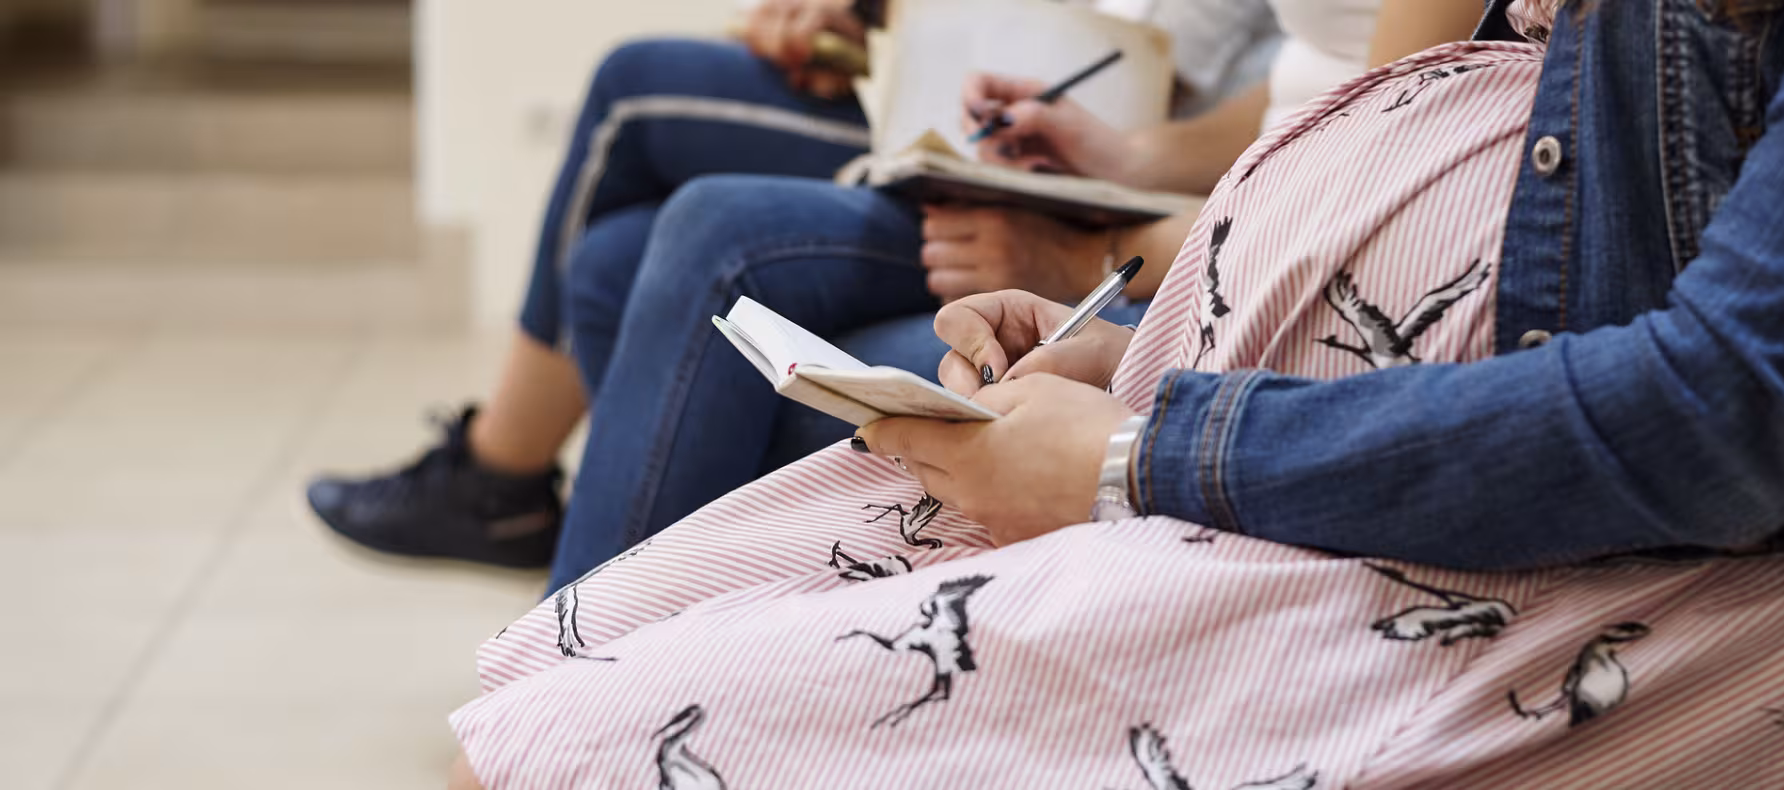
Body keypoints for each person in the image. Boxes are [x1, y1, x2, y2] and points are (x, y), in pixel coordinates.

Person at [445, 0, 1784, 783]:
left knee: (575, 748)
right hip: (1290, 466)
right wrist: (1137, 332)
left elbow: (1714, 418)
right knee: (523, 687)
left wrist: (1138, 450)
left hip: (1563, 589)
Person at [304, 0, 1282, 569]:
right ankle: (608, 672)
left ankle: (548, 629)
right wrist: (865, 24)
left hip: (1143, 213)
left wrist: (1094, 234)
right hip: (1068, 139)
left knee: (690, 201)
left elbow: (1253, 111)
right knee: (613, 258)